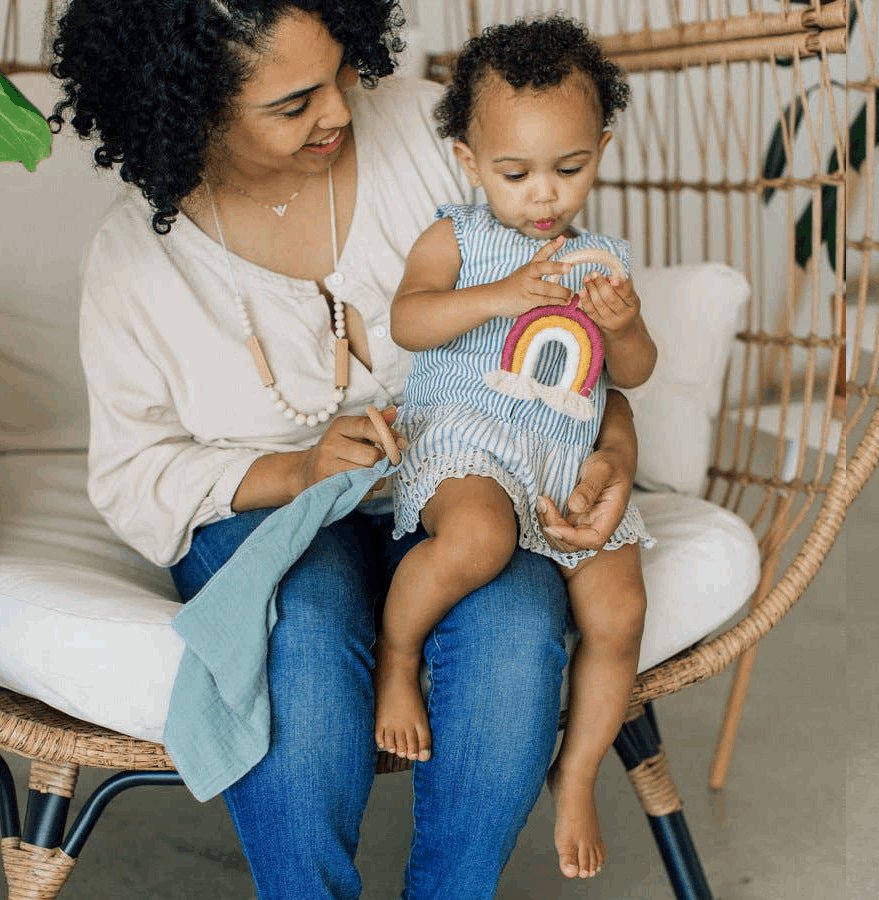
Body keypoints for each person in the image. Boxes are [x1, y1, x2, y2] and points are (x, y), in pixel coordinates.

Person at [51, 0, 642, 895]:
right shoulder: (139, 261)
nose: (337, 109)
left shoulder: (430, 134)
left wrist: (616, 455)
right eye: (293, 104)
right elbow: (135, 476)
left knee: (518, 623)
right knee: (306, 631)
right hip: (270, 503)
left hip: (460, 479)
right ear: (190, 104)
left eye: (341, 72)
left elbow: (572, 354)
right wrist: (297, 470)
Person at [375, 15, 657, 881]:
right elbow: (408, 321)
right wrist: (498, 293)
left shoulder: (601, 257)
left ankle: (574, 777)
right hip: (468, 441)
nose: (544, 195)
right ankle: (398, 657)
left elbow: (634, 373)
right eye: (515, 173)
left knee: (618, 611)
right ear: (468, 163)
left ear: (601, 151)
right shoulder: (455, 237)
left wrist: (627, 325)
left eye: (569, 169)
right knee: (477, 541)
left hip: (562, 458)